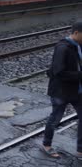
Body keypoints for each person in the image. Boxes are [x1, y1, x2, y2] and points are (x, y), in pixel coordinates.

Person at [42, 21, 82, 159]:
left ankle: (80, 149)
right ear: (76, 33)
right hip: (61, 91)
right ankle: (47, 145)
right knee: (55, 119)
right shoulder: (62, 48)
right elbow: (59, 72)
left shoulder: (79, 45)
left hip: (78, 90)